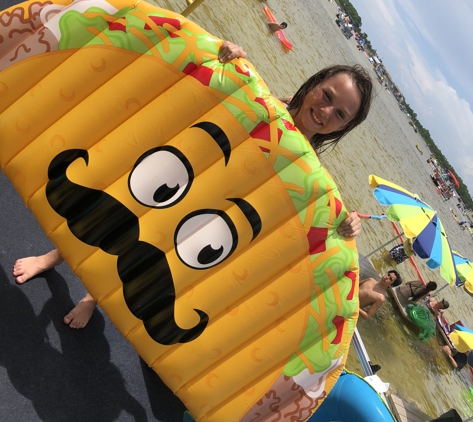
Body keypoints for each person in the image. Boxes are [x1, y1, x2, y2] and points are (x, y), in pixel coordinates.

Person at [14, 44, 374, 328]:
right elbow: (206, 98)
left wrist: (345, 226)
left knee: (144, 253)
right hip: (187, 178)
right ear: (313, 85)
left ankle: (91, 299)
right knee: (112, 215)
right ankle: (51, 257)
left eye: (340, 113)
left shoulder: (310, 175)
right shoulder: (257, 100)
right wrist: (229, 59)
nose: (326, 111)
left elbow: (301, 224)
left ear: (342, 127)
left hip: (210, 211)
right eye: (327, 95)